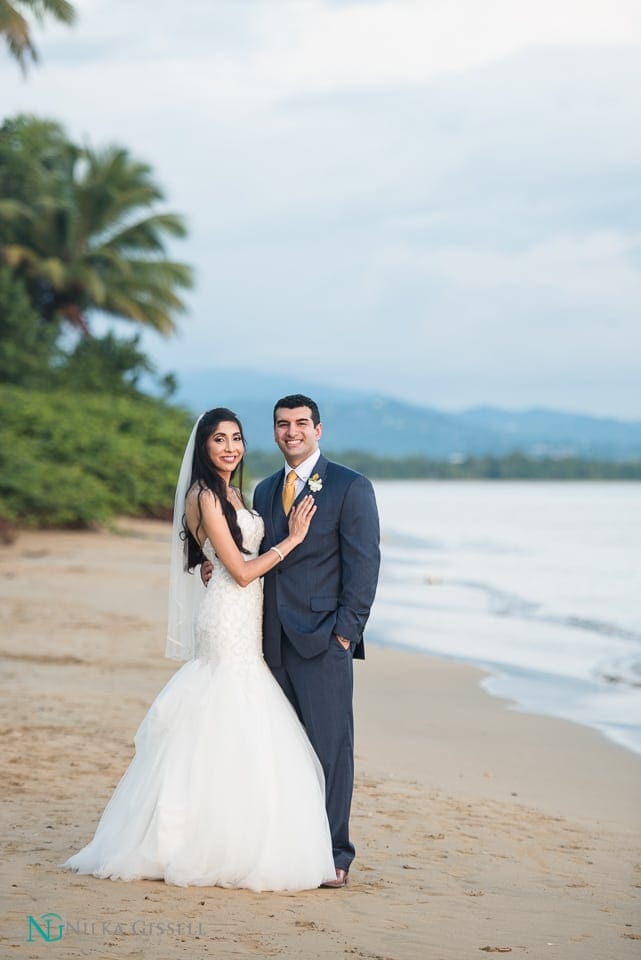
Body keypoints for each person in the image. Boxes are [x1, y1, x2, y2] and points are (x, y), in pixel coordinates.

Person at [63, 408, 336, 892]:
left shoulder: (234, 493)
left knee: (236, 716)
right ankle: (200, 839)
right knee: (228, 710)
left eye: (236, 439)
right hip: (228, 617)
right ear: (204, 448)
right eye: (219, 440)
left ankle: (236, 828)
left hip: (242, 615)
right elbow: (242, 570)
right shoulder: (205, 494)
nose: (230, 448)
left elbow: (225, 558)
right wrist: (294, 539)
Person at [251, 394, 381, 887]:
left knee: (331, 749)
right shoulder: (264, 491)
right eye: (282, 425)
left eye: (301, 424)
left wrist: (345, 634)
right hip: (270, 644)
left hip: (325, 640)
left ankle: (335, 855)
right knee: (283, 749)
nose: (291, 432)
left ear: (318, 430)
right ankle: (291, 844)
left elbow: (364, 567)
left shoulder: (350, 487)